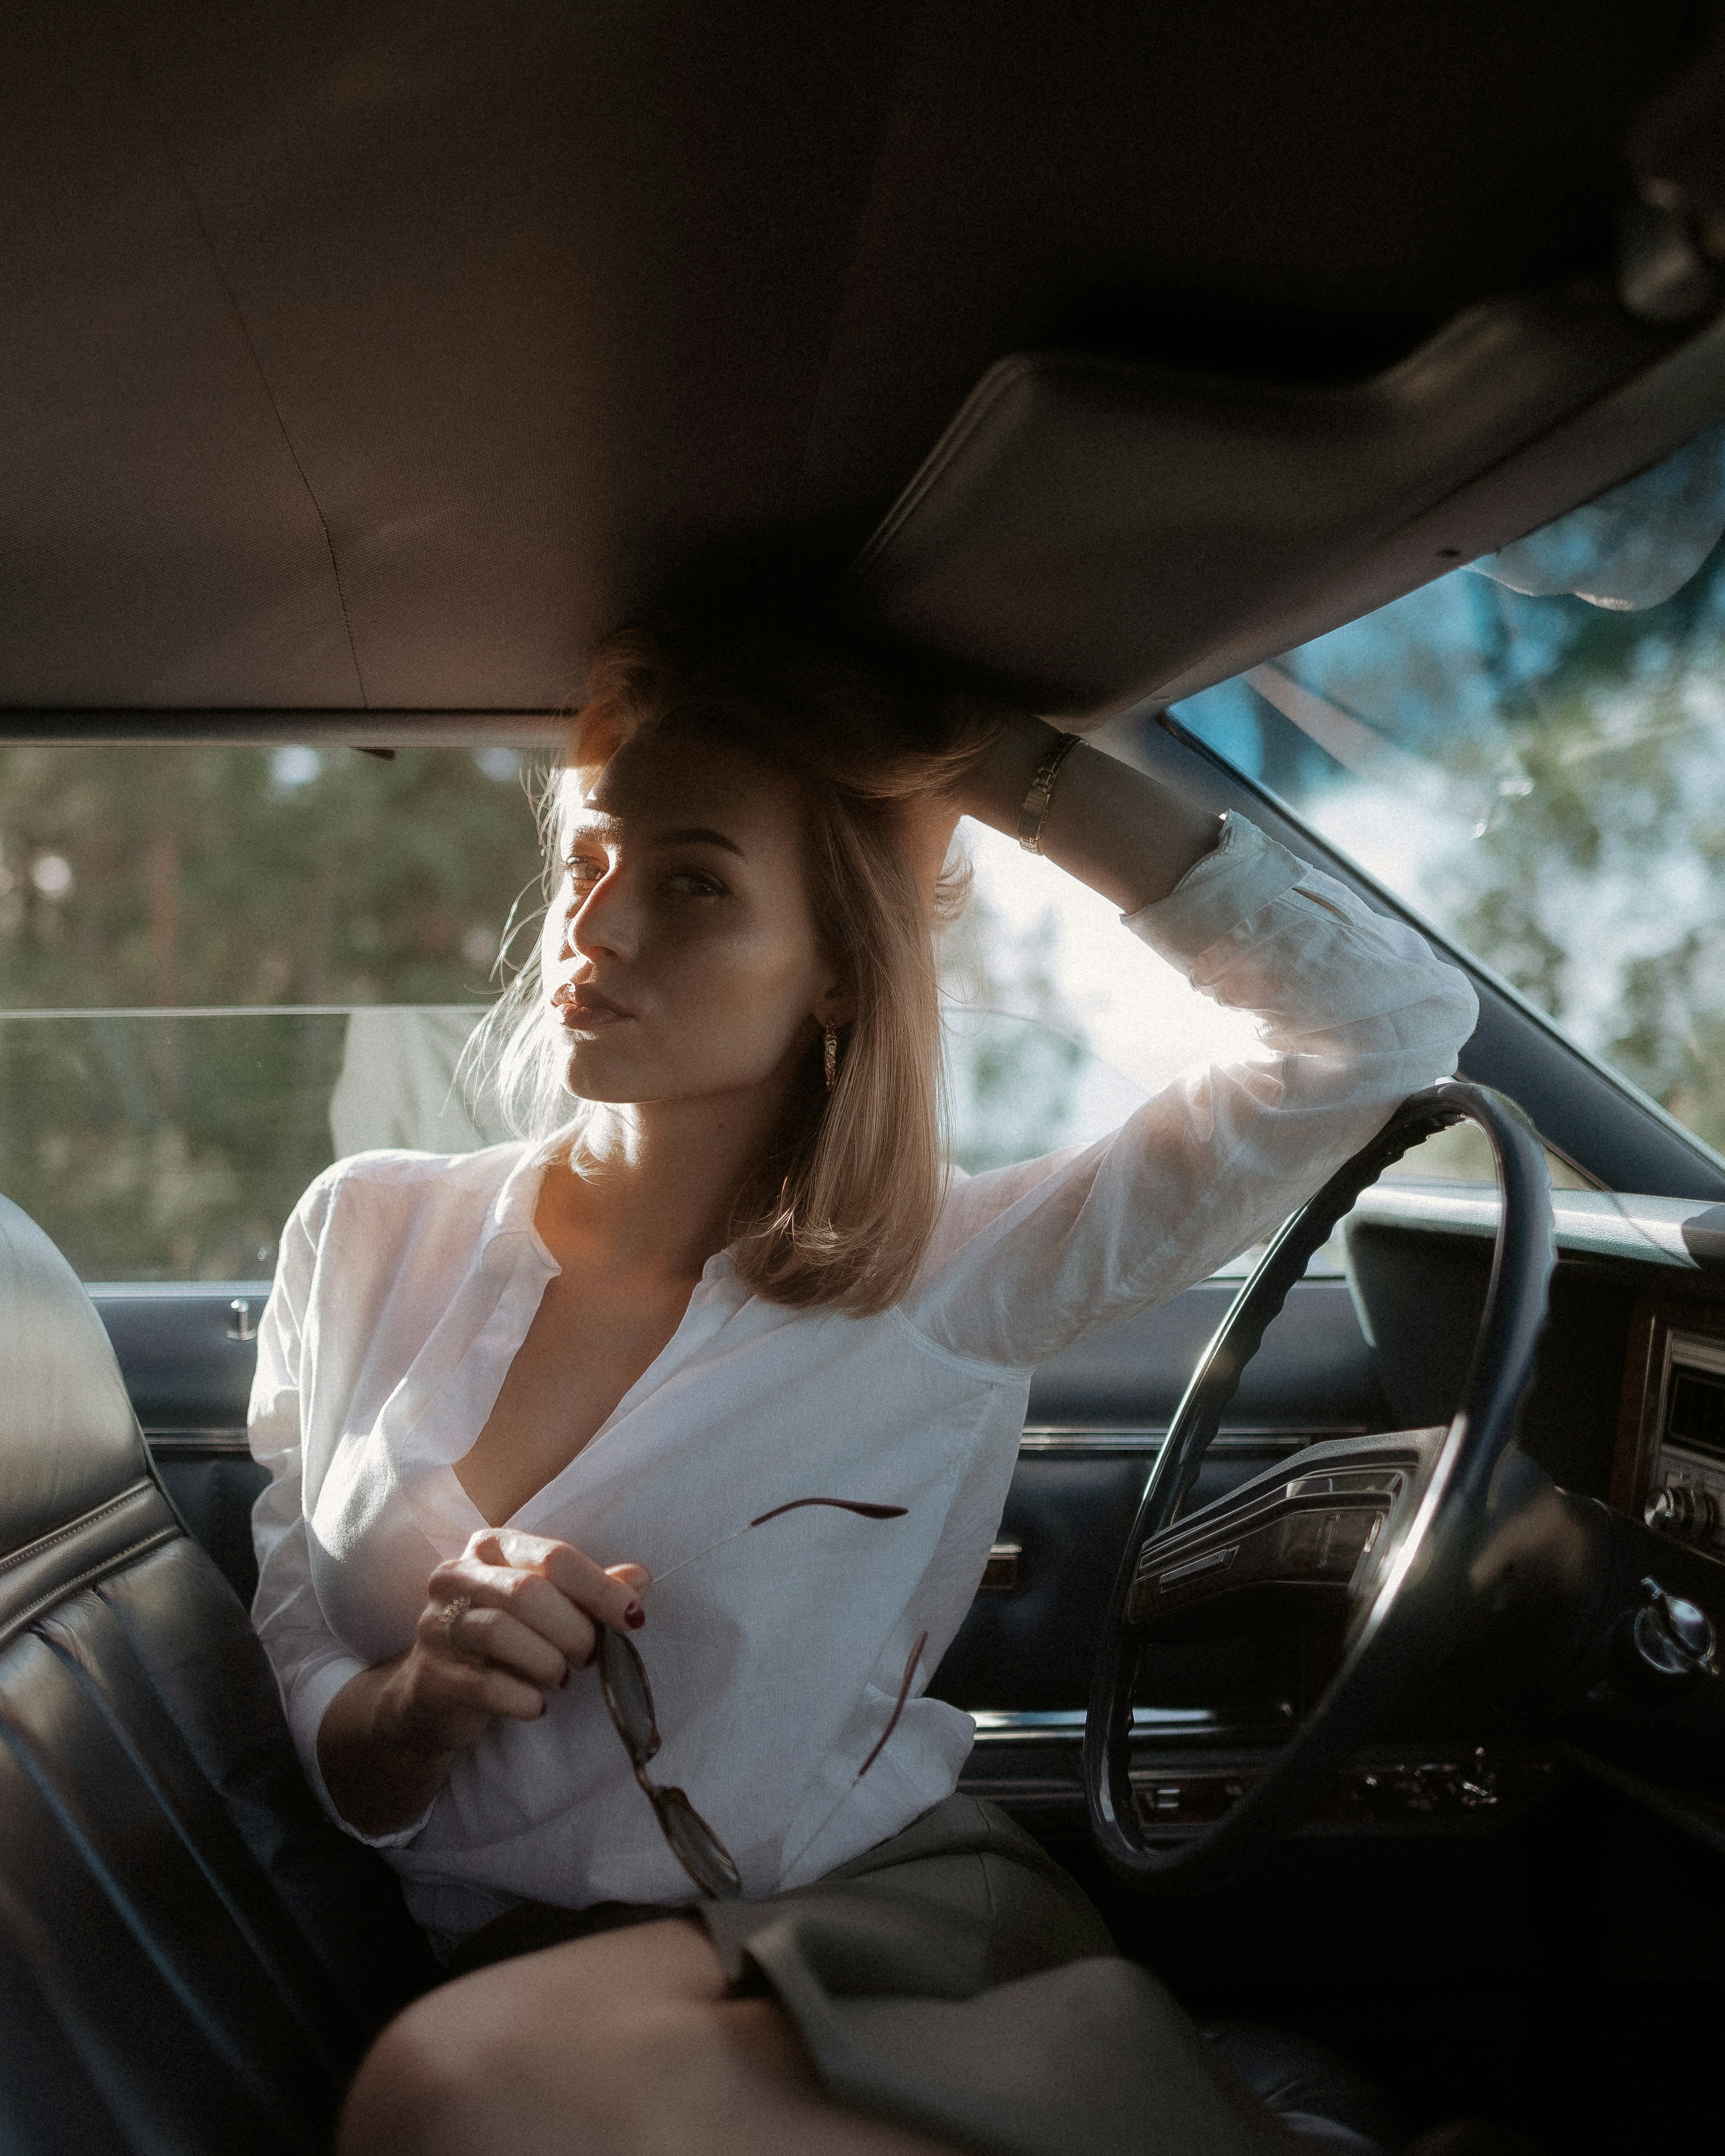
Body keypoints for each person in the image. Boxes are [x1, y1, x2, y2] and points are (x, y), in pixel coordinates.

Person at [246, 589, 1477, 2155]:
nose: (598, 924)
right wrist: (421, 1702)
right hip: (536, 1979)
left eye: (692, 884)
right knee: (461, 2080)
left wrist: (997, 759)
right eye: (589, 859)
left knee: (459, 2091)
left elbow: (1387, 1027)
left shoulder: (956, 1279)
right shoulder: (359, 1231)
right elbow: (308, 1681)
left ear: (836, 970)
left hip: (865, 1932)